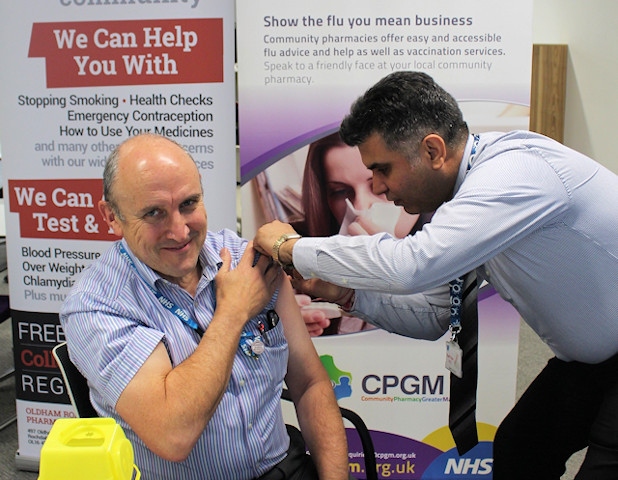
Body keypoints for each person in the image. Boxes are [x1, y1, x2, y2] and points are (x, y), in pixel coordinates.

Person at [253, 71, 618, 480]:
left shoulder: (514, 175)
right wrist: (346, 294)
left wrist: (292, 247)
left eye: (382, 169)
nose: (378, 187)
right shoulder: (464, 204)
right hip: (591, 361)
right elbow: (433, 317)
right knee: (520, 450)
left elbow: (411, 266)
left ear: (432, 150)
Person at [59, 134, 349, 480]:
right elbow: (174, 434)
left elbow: (310, 384)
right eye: (154, 213)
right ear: (112, 217)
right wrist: (234, 311)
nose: (179, 231)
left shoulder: (248, 260)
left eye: (189, 204)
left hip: (282, 466)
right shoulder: (98, 305)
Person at [295, 131, 439, 335]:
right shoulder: (295, 257)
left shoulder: (457, 251)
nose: (360, 206)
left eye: (379, 188)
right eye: (340, 192)